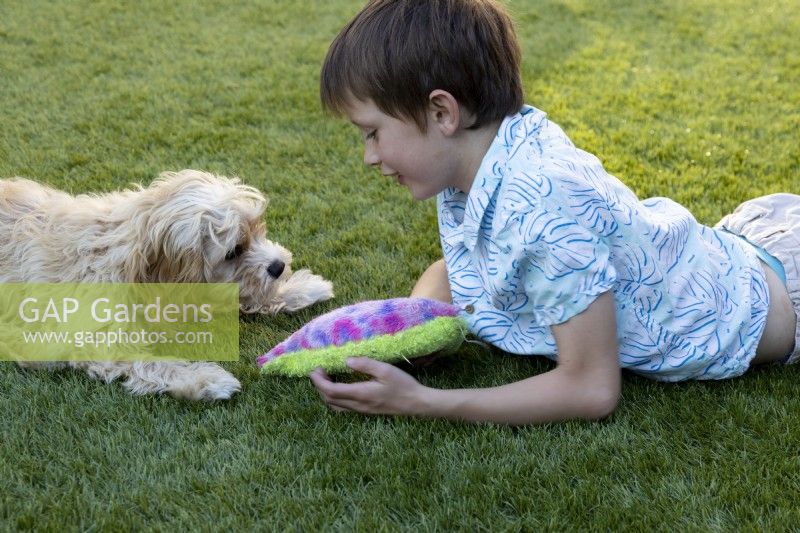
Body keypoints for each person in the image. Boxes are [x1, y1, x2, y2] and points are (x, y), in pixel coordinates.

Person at [310, 0, 799, 425]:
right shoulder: (473, 163)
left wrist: (423, 401)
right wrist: (414, 332)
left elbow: (590, 388)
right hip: (740, 248)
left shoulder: (542, 204)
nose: (369, 156)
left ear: (442, 113)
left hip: (780, 299)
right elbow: (455, 271)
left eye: (372, 132)